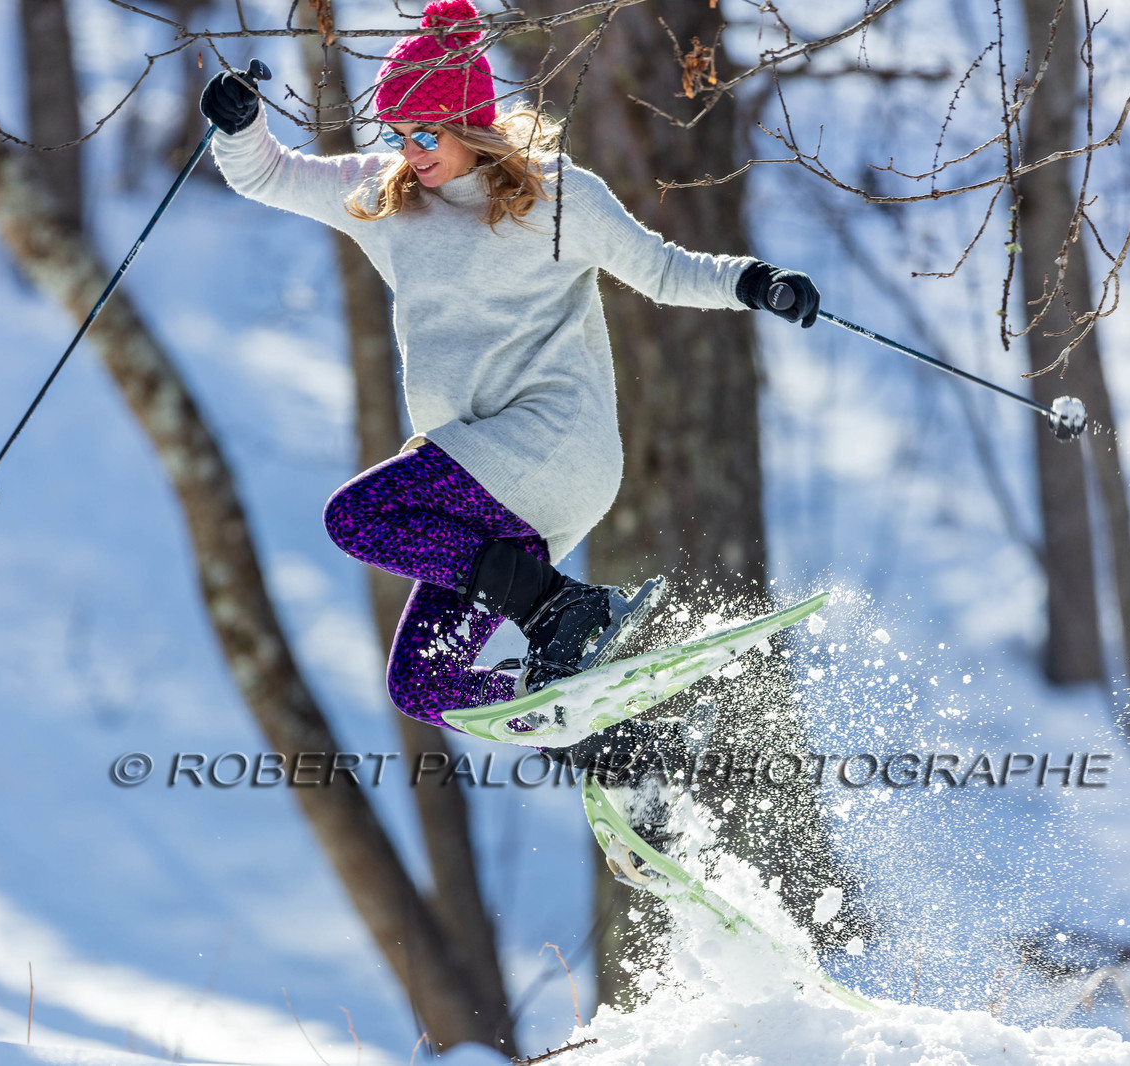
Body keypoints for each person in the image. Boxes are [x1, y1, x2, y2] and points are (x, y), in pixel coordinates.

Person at [201, 0, 820, 730]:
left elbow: (664, 272)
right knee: (423, 685)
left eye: (428, 131)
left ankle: (564, 610)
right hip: (486, 493)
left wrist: (754, 282)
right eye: (399, 134)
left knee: (360, 514)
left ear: (471, 122)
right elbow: (269, 174)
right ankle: (598, 723)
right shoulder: (387, 198)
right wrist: (241, 130)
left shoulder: (557, 198)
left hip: (553, 446)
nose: (413, 150)